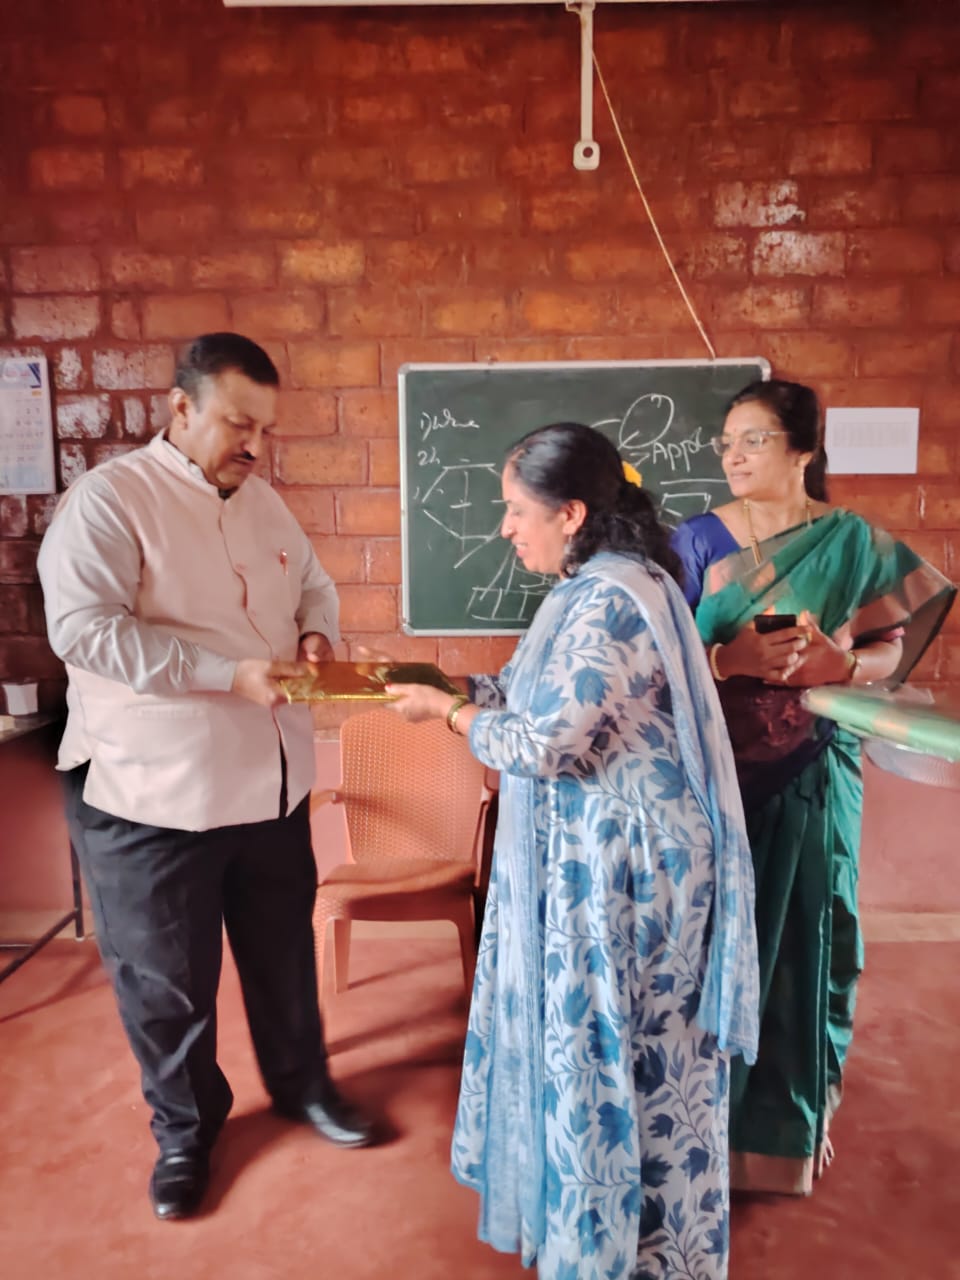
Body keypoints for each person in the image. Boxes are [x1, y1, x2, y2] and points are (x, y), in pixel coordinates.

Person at [386, 422, 759, 1280]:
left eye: (518, 510)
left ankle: (626, 1253)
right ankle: (616, 1245)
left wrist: (448, 716)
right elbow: (530, 696)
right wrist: (449, 686)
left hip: (628, 882)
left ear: (572, 513)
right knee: (629, 1063)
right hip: (619, 865)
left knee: (622, 1062)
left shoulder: (608, 600)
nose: (505, 528)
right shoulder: (603, 586)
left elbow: (545, 742)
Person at [37, 332, 375, 1222]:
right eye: (237, 424)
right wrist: (227, 673)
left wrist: (316, 632)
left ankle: (303, 1086)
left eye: (265, 429)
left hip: (270, 786)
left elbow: (313, 583)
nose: (254, 446)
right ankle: (186, 1132)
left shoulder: (263, 503)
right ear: (180, 408)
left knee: (282, 956)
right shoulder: (108, 502)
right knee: (167, 982)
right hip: (152, 794)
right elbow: (86, 631)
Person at [671, 378, 956, 1196]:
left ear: (803, 450)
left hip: (815, 772)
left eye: (753, 439)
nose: (733, 455)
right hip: (718, 777)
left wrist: (844, 663)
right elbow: (655, 649)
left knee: (811, 938)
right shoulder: (694, 541)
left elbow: (890, 644)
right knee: (716, 947)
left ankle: (792, 1129)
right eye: (726, 441)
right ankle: (701, 1134)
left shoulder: (851, 541)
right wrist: (726, 658)